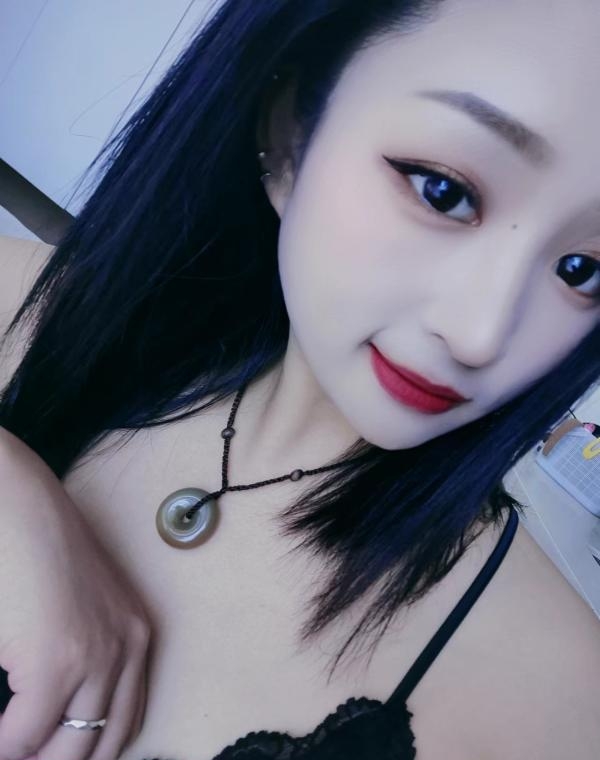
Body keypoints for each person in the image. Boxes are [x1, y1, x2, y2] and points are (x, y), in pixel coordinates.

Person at [0, 0, 599, 758]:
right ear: (289, 136)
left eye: (582, 270)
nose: (480, 335)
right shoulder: (43, 313)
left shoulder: (556, 702)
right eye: (443, 191)